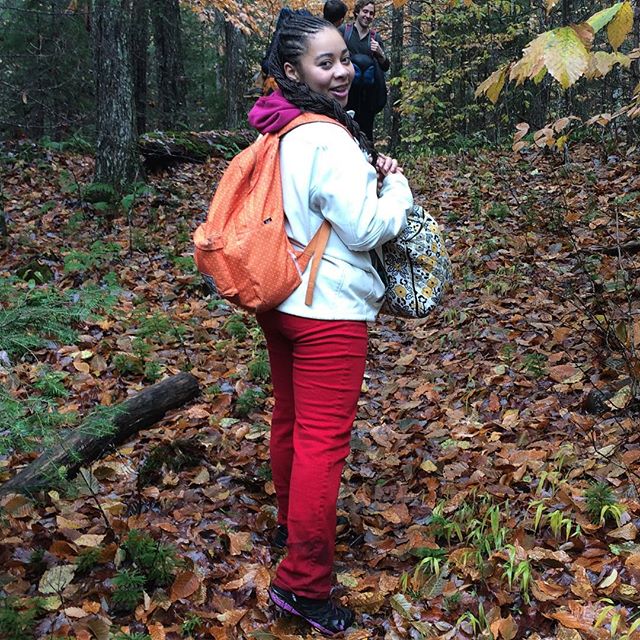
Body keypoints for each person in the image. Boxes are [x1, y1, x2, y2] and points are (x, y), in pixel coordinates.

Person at [247, 13, 412, 637]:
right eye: (326, 63)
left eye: (345, 58)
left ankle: (291, 528)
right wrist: (396, 191)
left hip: (282, 297)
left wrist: (366, 177)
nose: (343, 71)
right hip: (328, 311)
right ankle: (304, 584)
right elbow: (366, 228)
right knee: (323, 443)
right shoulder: (327, 137)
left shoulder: (281, 124)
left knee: (291, 422)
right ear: (293, 71)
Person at [340, 0, 389, 141]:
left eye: (371, 13)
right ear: (357, 12)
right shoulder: (345, 32)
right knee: (344, 133)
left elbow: (385, 66)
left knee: (366, 137)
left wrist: (380, 53)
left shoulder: (375, 38)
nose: (368, 16)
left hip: (367, 98)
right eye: (365, 11)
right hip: (346, 94)